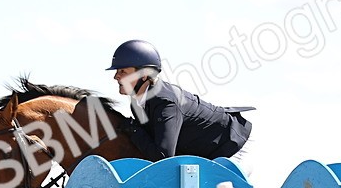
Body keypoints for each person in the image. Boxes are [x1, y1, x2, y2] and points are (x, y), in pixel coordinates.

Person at [107, 39, 255, 166]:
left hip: (235, 145)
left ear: (144, 75)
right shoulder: (137, 103)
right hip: (212, 153)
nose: (116, 77)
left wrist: (133, 129)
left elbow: (163, 158)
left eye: (122, 72)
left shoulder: (166, 103)